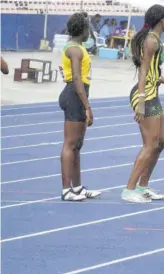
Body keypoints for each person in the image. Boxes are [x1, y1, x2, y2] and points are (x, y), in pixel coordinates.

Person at [122, 4, 164, 203]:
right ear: (162, 20)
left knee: (160, 144)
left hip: (152, 93)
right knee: (150, 145)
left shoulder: (155, 40)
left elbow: (154, 74)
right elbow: (144, 71)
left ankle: (143, 186)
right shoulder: (151, 41)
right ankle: (129, 189)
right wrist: (141, 101)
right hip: (145, 95)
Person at [59, 12, 101, 201]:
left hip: (79, 93)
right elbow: (76, 78)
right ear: (82, 30)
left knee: (77, 145)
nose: (90, 32)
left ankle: (77, 188)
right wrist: (87, 106)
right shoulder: (74, 50)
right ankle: (67, 190)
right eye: (88, 28)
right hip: (74, 94)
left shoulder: (79, 47)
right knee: (70, 144)